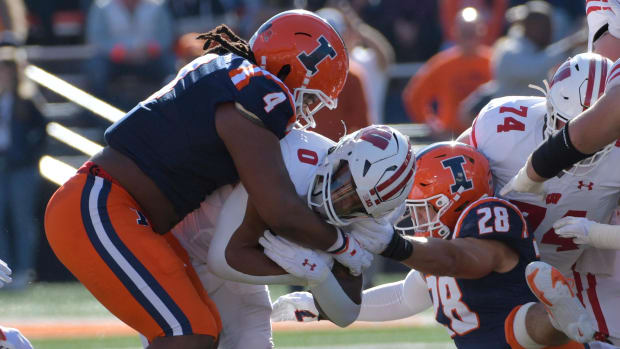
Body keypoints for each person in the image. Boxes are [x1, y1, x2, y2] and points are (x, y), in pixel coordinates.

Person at [44, 9, 355, 348]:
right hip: (101, 205)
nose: (306, 110)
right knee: (187, 333)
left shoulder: (228, 71)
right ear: (288, 70)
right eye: (309, 97)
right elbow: (279, 207)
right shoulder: (259, 92)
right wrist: (344, 246)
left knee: (204, 329)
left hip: (127, 214)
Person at [266, 142, 594, 348]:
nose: (418, 219)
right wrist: (320, 306)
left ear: (451, 200)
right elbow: (401, 298)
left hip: (531, 340)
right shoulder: (435, 258)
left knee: (519, 327)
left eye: (426, 207)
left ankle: (556, 317)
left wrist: (398, 246)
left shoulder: (486, 215)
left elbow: (463, 258)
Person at [171, 124, 414, 348]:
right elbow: (223, 257)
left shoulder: (361, 222)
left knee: (253, 342)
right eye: (344, 182)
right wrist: (313, 269)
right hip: (177, 248)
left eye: (355, 203)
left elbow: (346, 313)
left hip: (230, 263)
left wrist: (320, 277)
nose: (338, 200)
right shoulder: (292, 158)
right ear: (341, 153)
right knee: (190, 340)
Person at [457, 52, 620, 346]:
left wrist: (595, 234)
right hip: (497, 263)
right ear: (548, 107)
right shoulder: (502, 126)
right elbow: (450, 175)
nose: (583, 149)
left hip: (573, 273)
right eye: (565, 126)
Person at [500, 0, 620, 198]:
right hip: (536, 126)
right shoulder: (509, 49)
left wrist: (532, 174)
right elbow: (533, 67)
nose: (547, 30)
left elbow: (593, 127)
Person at [402, 7, 492, 139]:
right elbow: (414, 96)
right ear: (455, 32)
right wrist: (432, 125)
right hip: (452, 137)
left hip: (486, 136)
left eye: (472, 33)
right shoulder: (442, 63)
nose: (469, 38)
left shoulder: (494, 62)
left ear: (482, 32)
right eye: (465, 33)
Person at [0, 45, 47, 290]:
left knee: (22, 220)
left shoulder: (27, 99)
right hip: (1, 164)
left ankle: (23, 272)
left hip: (21, 167)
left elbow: (41, 132)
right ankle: (4, 274)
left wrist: (27, 155)